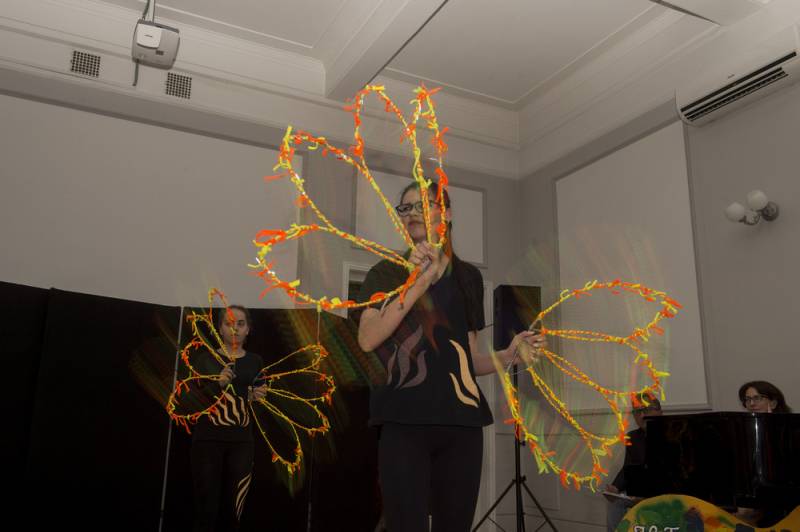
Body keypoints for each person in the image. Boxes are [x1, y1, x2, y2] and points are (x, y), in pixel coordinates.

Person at [356, 181, 545, 532]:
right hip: (403, 423)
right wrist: (419, 282)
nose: (412, 213)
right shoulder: (386, 272)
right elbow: (367, 339)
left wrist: (508, 355)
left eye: (421, 205)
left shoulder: (467, 277)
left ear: (446, 213)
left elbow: (468, 360)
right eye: (405, 208)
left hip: (462, 425)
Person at [186, 305, 267, 532]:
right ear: (219, 329)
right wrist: (218, 384)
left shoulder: (256, 361)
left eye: (240, 324)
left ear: (248, 329)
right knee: (206, 509)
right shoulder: (205, 359)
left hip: (242, 442)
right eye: (229, 324)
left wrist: (258, 397)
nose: (235, 329)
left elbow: (260, 400)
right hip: (207, 440)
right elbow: (190, 402)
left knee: (235, 511)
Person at [604, 394, 663, 532]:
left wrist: (646, 495)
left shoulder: (675, 432)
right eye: (637, 412)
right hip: (640, 492)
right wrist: (615, 488)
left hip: (667, 492)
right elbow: (628, 468)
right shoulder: (633, 437)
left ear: (660, 411)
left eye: (646, 410)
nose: (642, 416)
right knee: (616, 502)